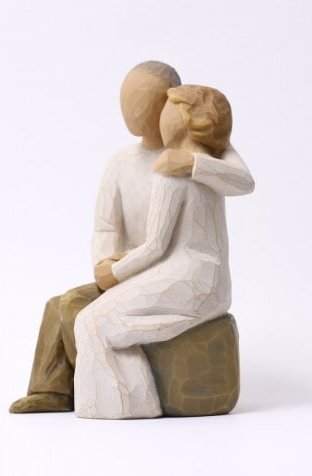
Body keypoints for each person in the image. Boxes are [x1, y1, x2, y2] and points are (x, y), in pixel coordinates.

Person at [9, 62, 254, 414]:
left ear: (172, 105)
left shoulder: (201, 155)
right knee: (58, 304)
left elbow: (242, 181)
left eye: (142, 100)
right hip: (135, 269)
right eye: (127, 98)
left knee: (82, 311)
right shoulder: (121, 163)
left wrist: (190, 163)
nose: (132, 109)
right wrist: (105, 265)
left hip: (162, 272)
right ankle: (53, 391)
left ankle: (123, 397)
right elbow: (106, 226)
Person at [73, 85, 238, 419]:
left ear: (184, 119)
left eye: (167, 109)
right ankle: (137, 403)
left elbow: (155, 247)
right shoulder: (211, 163)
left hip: (187, 280)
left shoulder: (170, 168)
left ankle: (122, 406)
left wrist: (113, 271)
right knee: (98, 321)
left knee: (90, 322)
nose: (158, 115)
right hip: (214, 282)